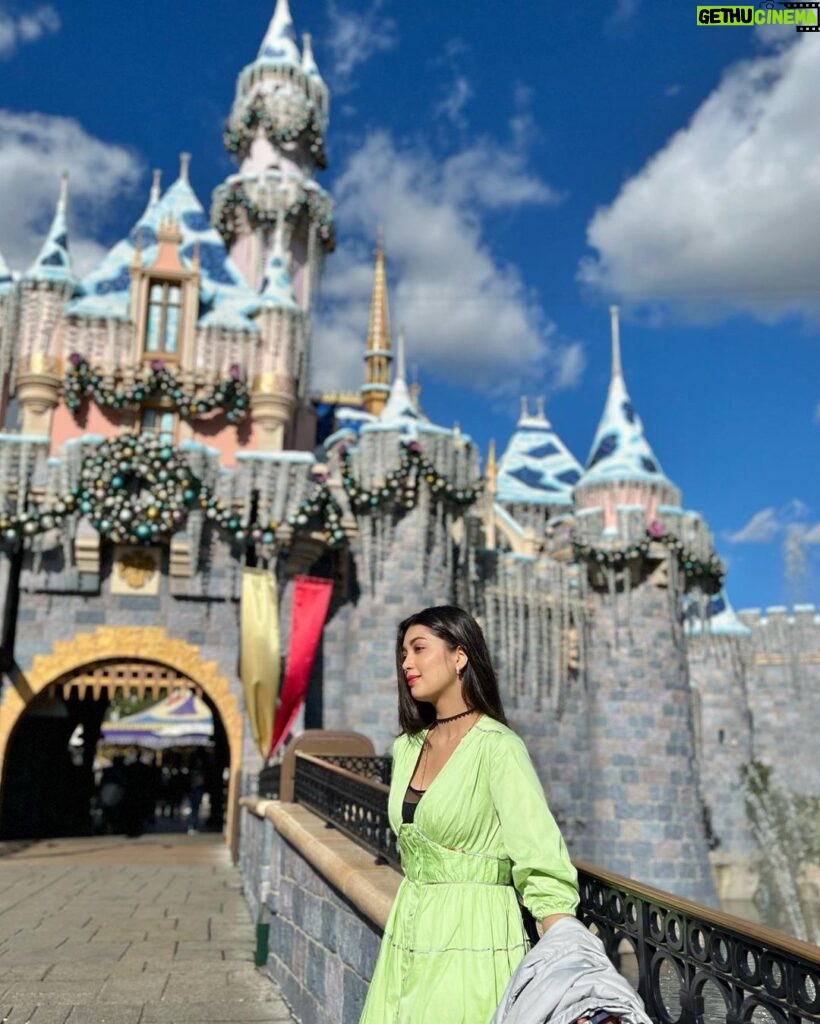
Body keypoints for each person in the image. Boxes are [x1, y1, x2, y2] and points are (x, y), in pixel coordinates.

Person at [359, 605, 580, 1024]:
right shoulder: (407, 748)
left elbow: (539, 854)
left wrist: (564, 944)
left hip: (475, 934)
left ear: (459, 656)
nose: (407, 662)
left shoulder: (498, 746)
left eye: (419, 648)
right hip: (408, 929)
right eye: (403, 653)